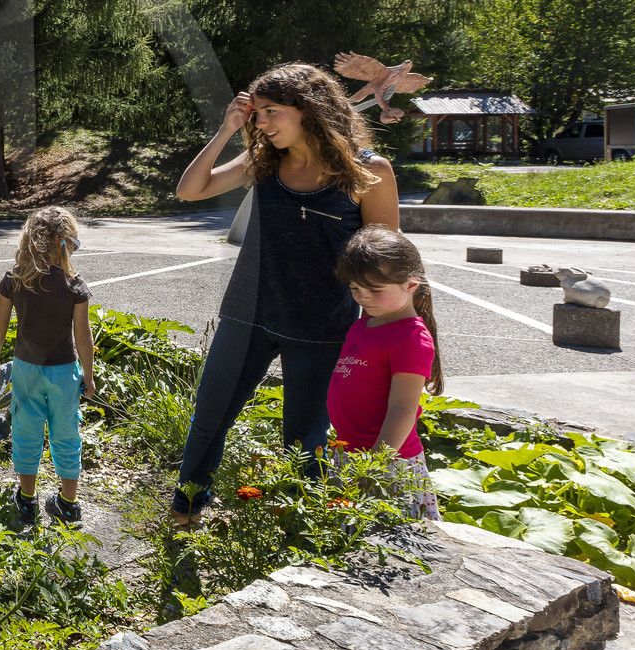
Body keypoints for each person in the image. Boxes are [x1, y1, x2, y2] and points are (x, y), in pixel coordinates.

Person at [171, 62, 400, 525]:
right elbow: (190, 190)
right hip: (247, 312)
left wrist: (383, 330)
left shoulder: (367, 170)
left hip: (322, 323)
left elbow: (384, 254)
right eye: (257, 114)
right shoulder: (264, 161)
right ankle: (187, 509)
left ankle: (301, 529)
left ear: (309, 110)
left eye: (272, 112)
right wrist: (225, 130)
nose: (262, 123)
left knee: (305, 435)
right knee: (210, 415)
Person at [0, 206, 98, 527]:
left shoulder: (15, 280)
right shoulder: (74, 285)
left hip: (26, 369)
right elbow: (84, 336)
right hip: (65, 372)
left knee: (26, 430)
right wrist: (88, 375)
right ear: (67, 243)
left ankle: (26, 500)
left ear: (28, 241)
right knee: (66, 433)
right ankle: (69, 503)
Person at [328, 226, 442, 520]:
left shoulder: (411, 338)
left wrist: (376, 464)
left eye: (375, 290)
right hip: (350, 454)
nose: (363, 297)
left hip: (387, 462)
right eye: (355, 289)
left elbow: (403, 409)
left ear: (411, 284)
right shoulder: (360, 326)